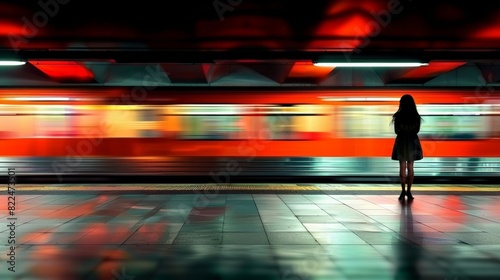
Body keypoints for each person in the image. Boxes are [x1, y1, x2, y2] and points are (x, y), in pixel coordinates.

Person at [391, 94, 423, 200]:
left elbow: (396, 131)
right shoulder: (416, 116)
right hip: (412, 142)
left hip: (401, 142)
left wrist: (403, 131)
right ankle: (409, 192)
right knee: (410, 167)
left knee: (402, 168)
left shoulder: (398, 116)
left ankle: (402, 191)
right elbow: (417, 130)